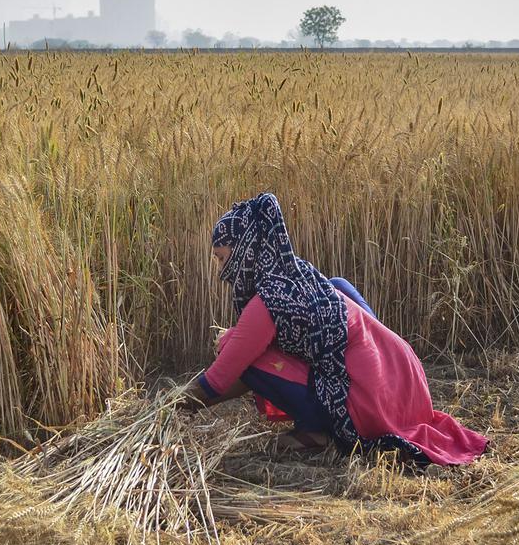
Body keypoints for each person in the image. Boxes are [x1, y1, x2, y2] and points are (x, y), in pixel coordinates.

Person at [181, 193, 488, 466]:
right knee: (338, 285)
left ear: (246, 251)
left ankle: (319, 432)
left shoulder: (266, 304)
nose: (222, 271)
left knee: (238, 347)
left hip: (369, 407)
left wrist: (176, 406)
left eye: (223, 259)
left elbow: (218, 380)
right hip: (406, 385)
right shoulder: (302, 278)